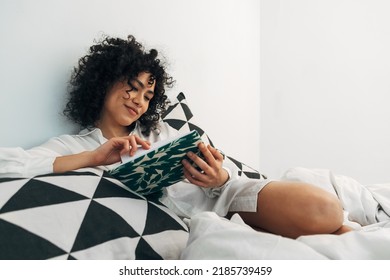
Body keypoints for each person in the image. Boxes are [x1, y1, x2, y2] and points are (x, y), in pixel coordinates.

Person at [0, 35, 351, 239]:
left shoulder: (160, 131)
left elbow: (221, 171)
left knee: (324, 209)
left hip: (221, 196)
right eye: (131, 88)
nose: (138, 100)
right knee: (325, 228)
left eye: (147, 96)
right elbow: (8, 164)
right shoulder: (74, 147)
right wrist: (93, 158)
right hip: (187, 223)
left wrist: (220, 176)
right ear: (103, 82)